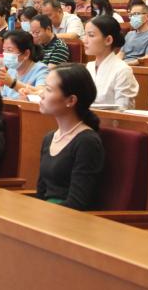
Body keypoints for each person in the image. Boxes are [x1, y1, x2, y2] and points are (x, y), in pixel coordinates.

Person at [35, 65, 106, 210]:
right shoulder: (49, 138)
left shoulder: (87, 142)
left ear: (71, 100)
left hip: (68, 218)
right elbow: (41, 193)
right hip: (46, 213)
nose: (41, 94)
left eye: (48, 89)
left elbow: (77, 203)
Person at [82, 16, 138, 110]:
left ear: (108, 40)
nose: (84, 40)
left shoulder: (122, 70)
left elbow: (123, 109)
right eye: (85, 35)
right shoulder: (89, 66)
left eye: (91, 35)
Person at [0, 30, 48, 100]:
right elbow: (4, 96)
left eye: (9, 50)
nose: (5, 54)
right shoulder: (11, 70)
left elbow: (42, 93)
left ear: (26, 54)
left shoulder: (41, 69)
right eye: (4, 50)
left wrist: (12, 83)